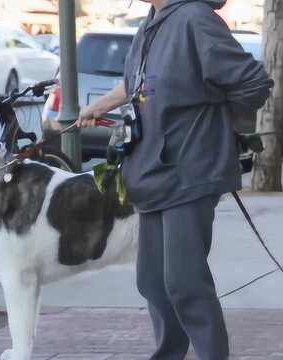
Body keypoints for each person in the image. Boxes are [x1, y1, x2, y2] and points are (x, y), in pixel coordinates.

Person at [77, 0, 273, 359]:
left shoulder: (195, 20)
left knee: (185, 283)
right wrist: (102, 104)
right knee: (152, 282)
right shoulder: (153, 22)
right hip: (152, 173)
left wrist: (217, 128)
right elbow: (137, 83)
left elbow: (252, 82)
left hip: (190, 173)